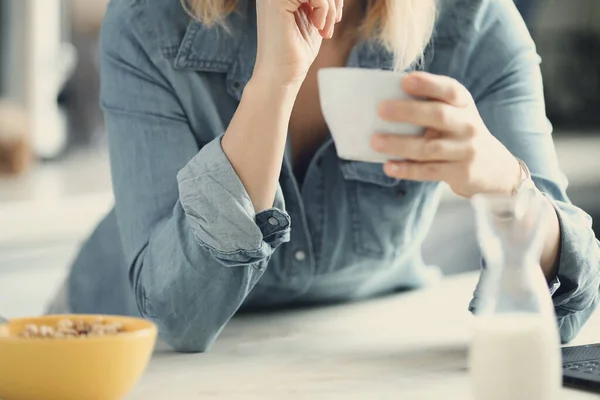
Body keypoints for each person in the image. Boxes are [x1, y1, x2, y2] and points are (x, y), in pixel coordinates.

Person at [50, 0, 600, 352]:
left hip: (348, 347)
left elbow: (575, 302)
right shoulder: (151, 23)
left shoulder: (473, 22)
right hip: (112, 347)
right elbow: (178, 319)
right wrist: (274, 82)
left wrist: (505, 185)